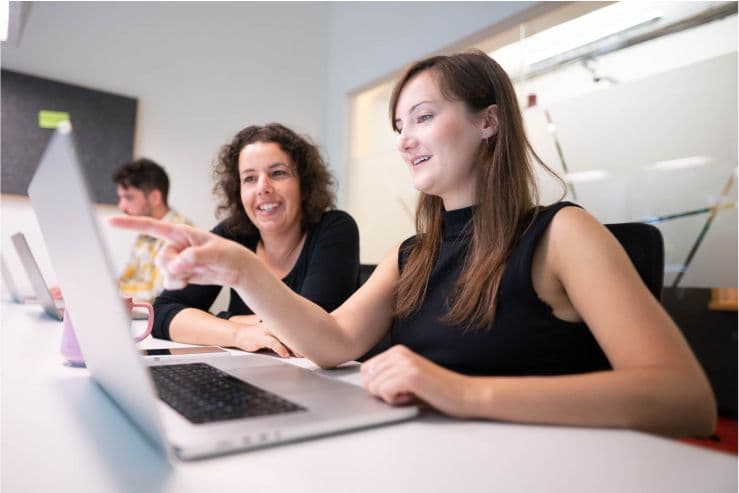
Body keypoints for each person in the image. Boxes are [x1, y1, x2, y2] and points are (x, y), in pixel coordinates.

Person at [111, 51, 716, 437]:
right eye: (400, 126)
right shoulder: (415, 252)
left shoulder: (562, 233)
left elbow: (684, 399)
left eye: (423, 117)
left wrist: (462, 391)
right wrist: (243, 271)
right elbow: (330, 342)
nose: (405, 140)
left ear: (489, 121)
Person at [150, 123, 360, 358]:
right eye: (249, 178)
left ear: (304, 184)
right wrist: (238, 334)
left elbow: (307, 333)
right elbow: (163, 312)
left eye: (278, 173)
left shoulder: (335, 229)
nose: (263, 188)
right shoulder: (233, 234)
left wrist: (224, 319)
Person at [114, 158, 193, 303]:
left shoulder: (182, 233)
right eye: (121, 198)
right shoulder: (144, 233)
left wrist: (107, 294)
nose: (122, 206)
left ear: (155, 197)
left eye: (128, 197)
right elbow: (125, 279)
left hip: (165, 320)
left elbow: (156, 294)